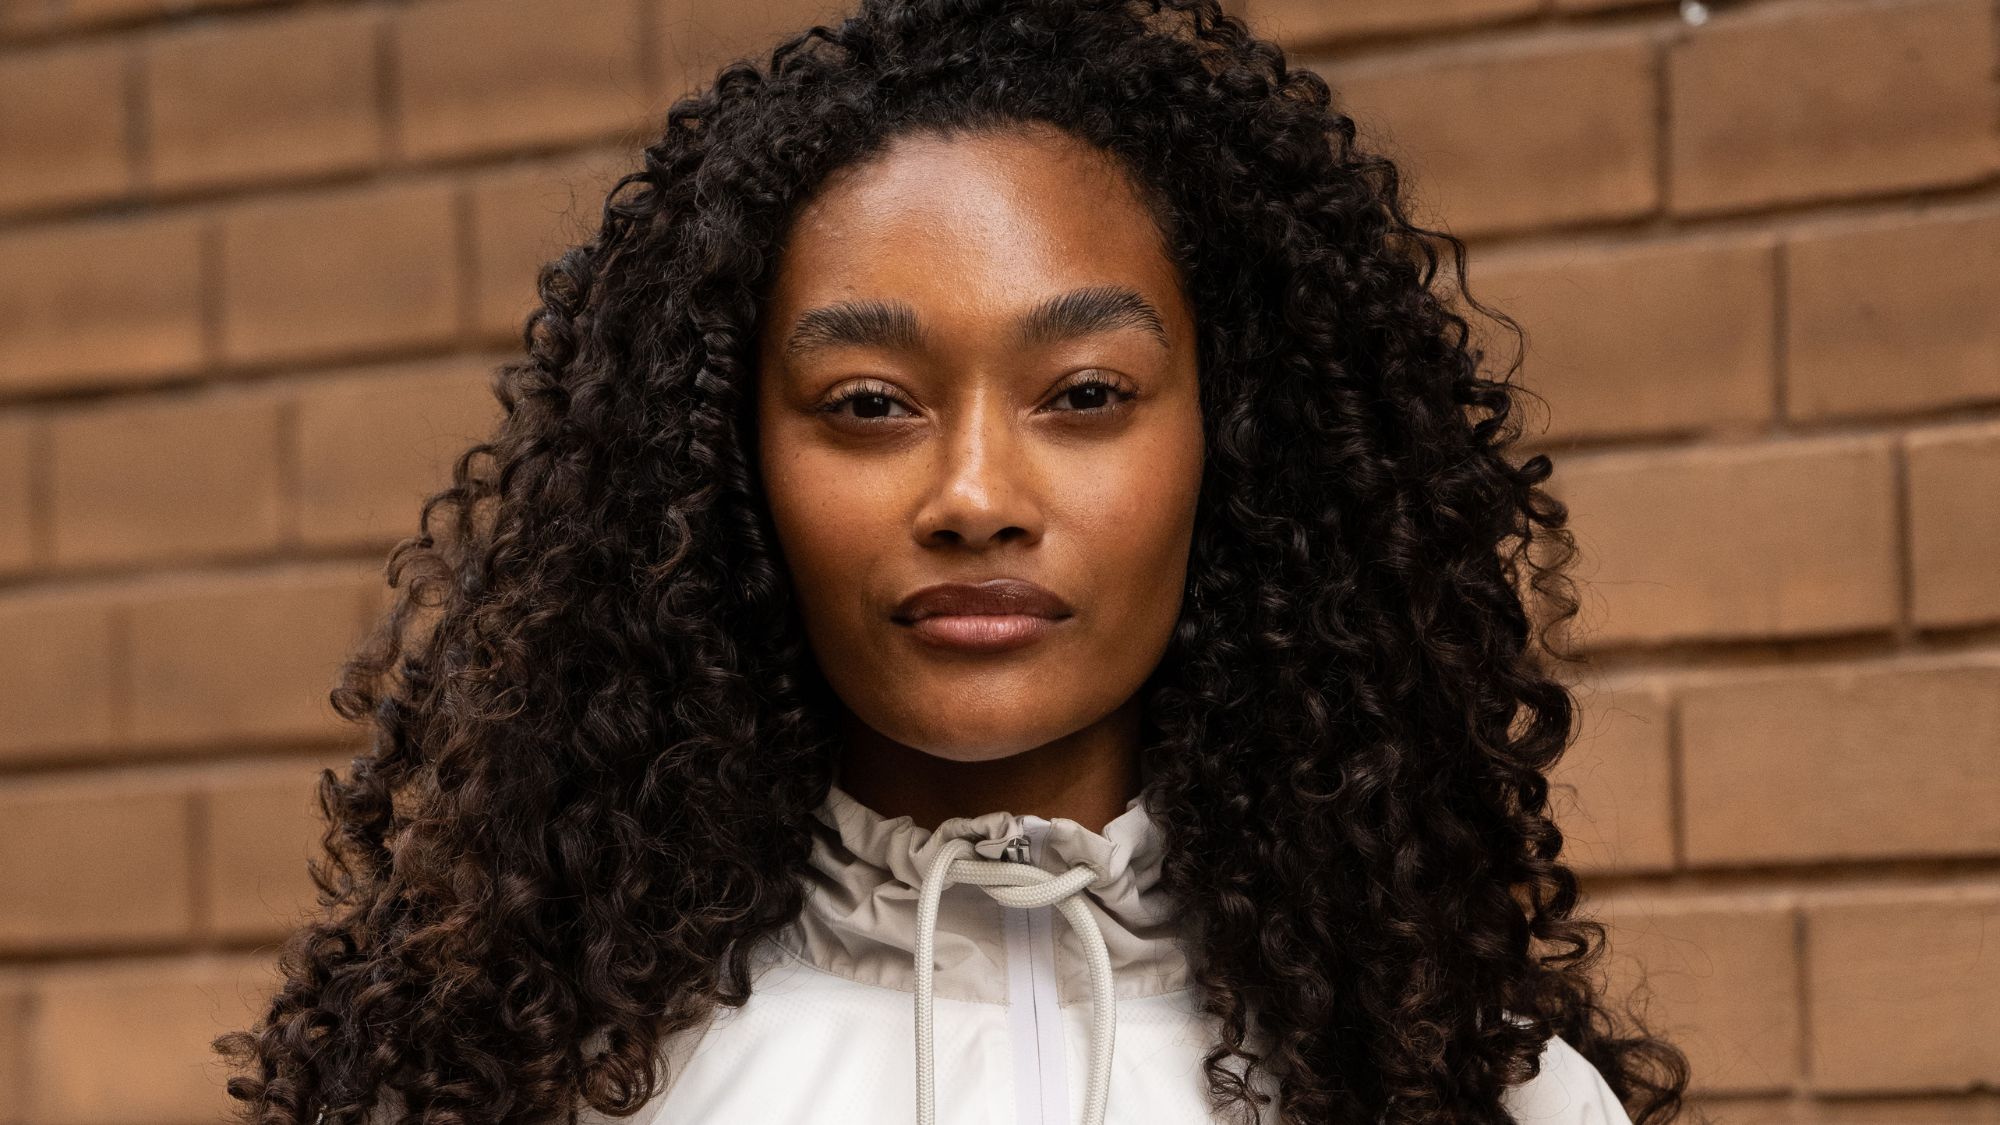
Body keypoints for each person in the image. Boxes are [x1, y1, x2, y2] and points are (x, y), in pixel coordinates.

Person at [215, 0, 1697, 1121]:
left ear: (1230, 443)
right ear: (729, 466)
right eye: (868, 405)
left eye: (1086, 395)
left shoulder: (1477, 1096)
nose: (975, 494)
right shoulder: (534, 1087)